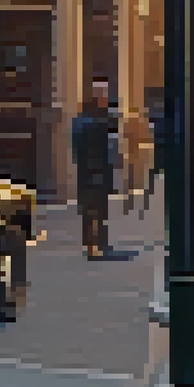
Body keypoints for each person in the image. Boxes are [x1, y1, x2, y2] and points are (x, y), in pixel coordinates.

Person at [70, 79, 117, 259]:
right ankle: (97, 242)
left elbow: (77, 149)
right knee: (98, 207)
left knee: (89, 209)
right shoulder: (98, 123)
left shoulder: (80, 122)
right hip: (96, 171)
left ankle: (91, 242)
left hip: (86, 171)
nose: (104, 98)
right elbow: (104, 150)